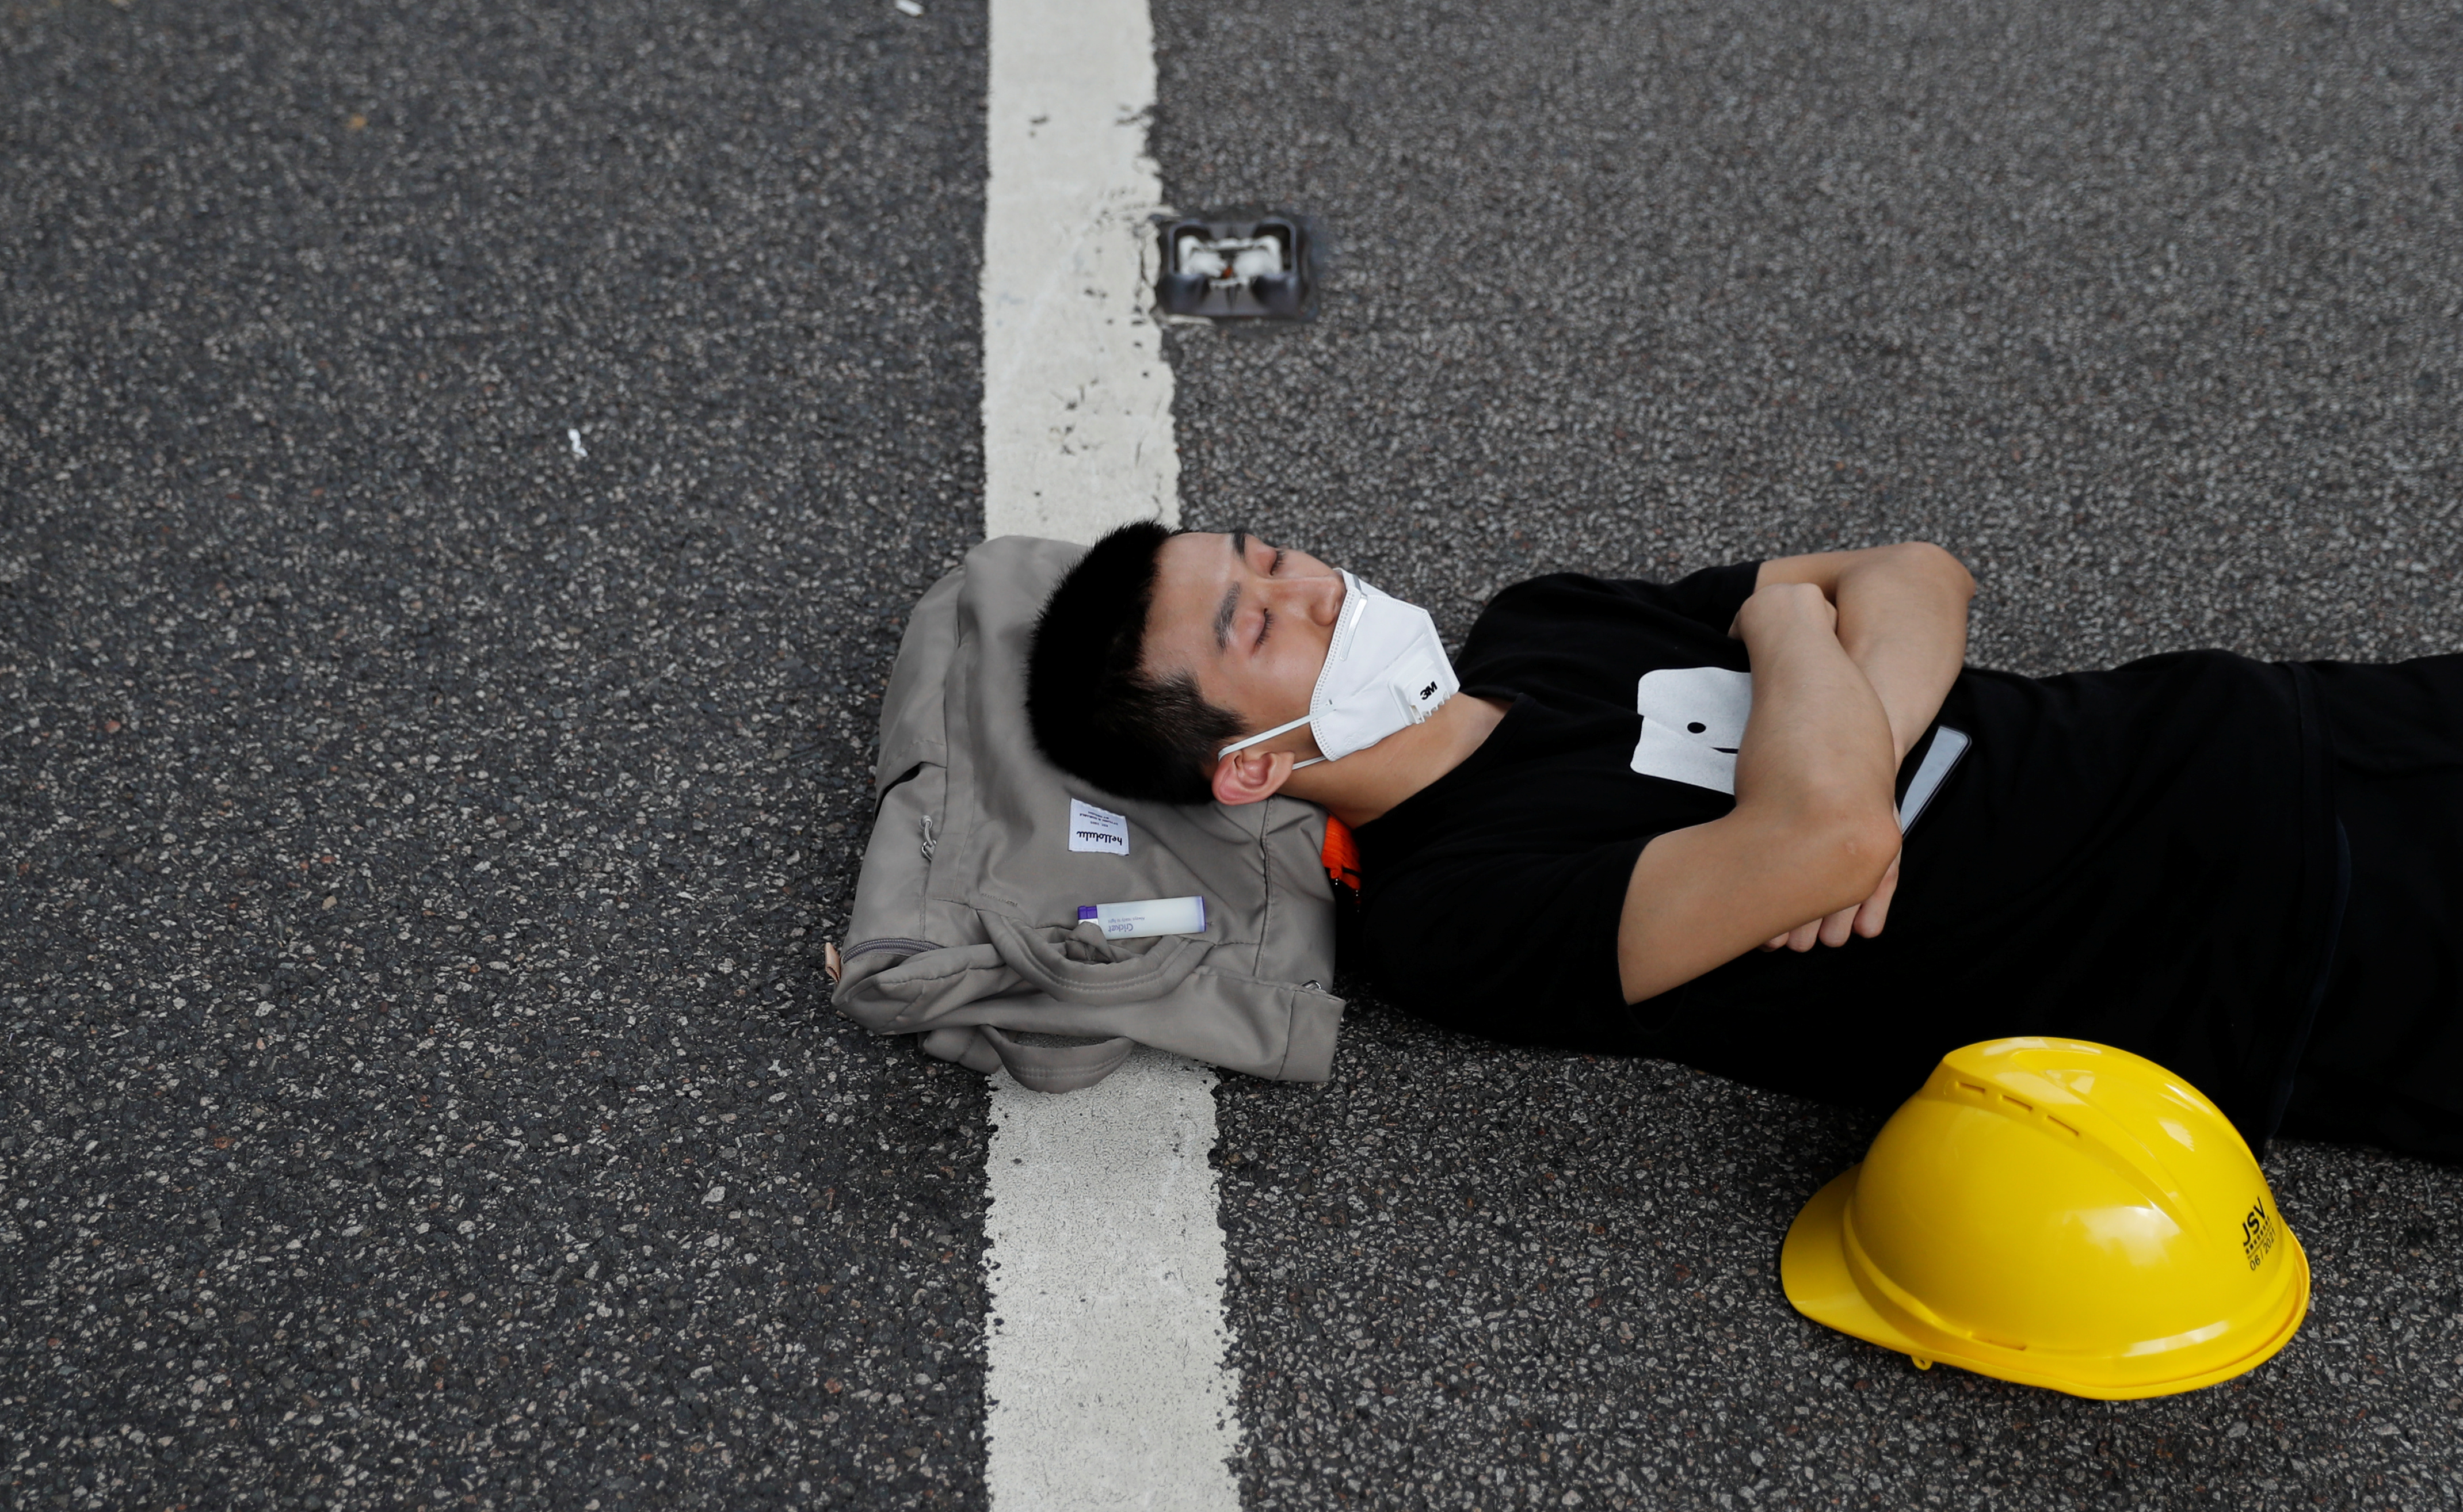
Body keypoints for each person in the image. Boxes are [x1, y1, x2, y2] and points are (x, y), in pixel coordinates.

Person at [1023, 523, 2462, 1158]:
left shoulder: (1546, 621)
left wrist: (1802, 656)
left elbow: (1915, 572)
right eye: (1252, 625)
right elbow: (1833, 841)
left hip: (2287, 721)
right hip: (2295, 943)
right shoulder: (1447, 909)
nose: (1314, 590)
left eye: (1272, 559)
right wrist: (1818, 713)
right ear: (1250, 769)